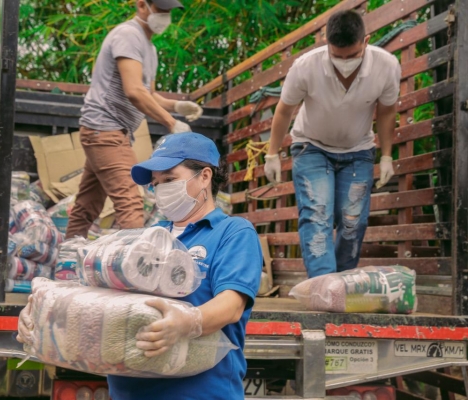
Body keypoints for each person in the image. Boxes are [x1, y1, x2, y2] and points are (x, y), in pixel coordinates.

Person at [99, 132, 262, 399]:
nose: (161, 190)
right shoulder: (148, 236)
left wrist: (187, 322)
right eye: (156, 183)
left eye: (170, 179)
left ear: (205, 177)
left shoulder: (232, 232)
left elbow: (232, 306)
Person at [263, 10, 400, 279]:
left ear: (366, 40)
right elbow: (284, 110)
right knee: (317, 216)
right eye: (337, 56)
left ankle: (342, 283)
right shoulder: (305, 66)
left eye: (352, 55)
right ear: (326, 42)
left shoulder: (387, 66)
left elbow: (387, 111)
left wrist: (386, 156)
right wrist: (272, 154)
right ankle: (323, 286)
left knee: (353, 221)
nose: (344, 62)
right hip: (311, 147)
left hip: (358, 151)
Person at [66, 0, 203, 239]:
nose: (165, 16)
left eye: (169, 11)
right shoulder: (128, 35)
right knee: (130, 201)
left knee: (87, 205)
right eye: (161, 9)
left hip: (109, 132)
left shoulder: (149, 48)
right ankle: (135, 271)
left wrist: (176, 105)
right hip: (105, 129)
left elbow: (148, 94)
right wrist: (172, 123)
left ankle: (66, 259)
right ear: (142, 5)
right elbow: (133, 91)